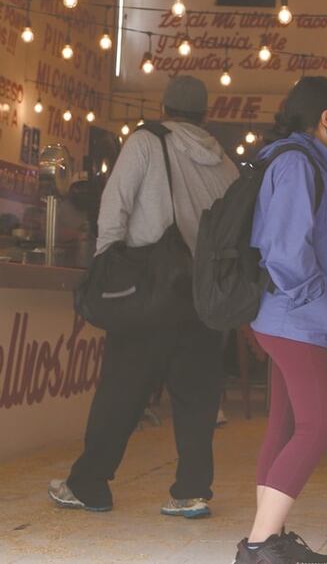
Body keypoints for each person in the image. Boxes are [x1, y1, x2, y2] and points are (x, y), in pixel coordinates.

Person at [48, 76, 238, 518]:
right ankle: (191, 491)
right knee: (196, 396)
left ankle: (89, 484)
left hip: (149, 288)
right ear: (204, 114)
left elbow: (115, 204)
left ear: (165, 106)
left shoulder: (147, 142)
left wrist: (106, 262)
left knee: (122, 388)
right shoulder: (225, 162)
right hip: (202, 295)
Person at [234, 77, 327, 564]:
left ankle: (268, 537)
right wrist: (314, 291)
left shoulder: (304, 163)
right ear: (326, 117)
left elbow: (301, 238)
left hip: (286, 315)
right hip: (298, 317)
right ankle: (258, 545)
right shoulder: (297, 163)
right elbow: (284, 249)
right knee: (319, 427)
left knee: (286, 424)